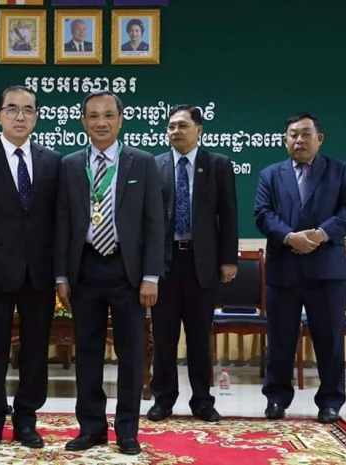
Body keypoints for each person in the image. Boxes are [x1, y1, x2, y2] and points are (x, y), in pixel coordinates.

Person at [54, 90, 164, 456]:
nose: (101, 122)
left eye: (108, 115)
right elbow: (62, 223)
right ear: (83, 121)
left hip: (127, 270)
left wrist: (151, 276)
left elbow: (154, 222)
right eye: (93, 116)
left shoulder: (142, 162)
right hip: (84, 268)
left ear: (120, 120)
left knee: (131, 354)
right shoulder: (70, 164)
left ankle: (128, 430)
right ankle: (91, 428)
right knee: (87, 353)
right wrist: (61, 276)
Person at [0, 85, 60, 451]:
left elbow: (58, 221)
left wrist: (60, 273)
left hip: (39, 274)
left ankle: (26, 420)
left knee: (35, 352)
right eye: (13, 109)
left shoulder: (52, 161)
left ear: (37, 116)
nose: (20, 116)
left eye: (28, 110)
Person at [255, 112, 346, 424]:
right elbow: (262, 214)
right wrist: (290, 237)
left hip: (325, 270)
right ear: (285, 139)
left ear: (319, 138)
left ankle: (330, 401)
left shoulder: (338, 170)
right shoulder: (270, 174)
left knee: (329, 340)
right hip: (283, 269)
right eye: (293, 135)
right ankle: (276, 399)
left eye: (305, 134)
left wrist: (321, 234)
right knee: (280, 340)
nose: (298, 140)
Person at [147, 105, 238, 423]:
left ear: (199, 130)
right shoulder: (154, 165)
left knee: (200, 336)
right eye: (171, 126)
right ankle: (163, 399)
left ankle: (202, 400)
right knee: (164, 337)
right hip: (165, 263)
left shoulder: (218, 165)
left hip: (202, 263)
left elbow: (228, 215)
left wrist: (228, 259)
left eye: (182, 125)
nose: (175, 131)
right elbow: (147, 219)